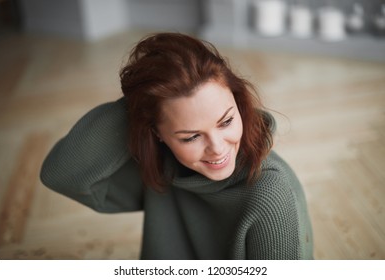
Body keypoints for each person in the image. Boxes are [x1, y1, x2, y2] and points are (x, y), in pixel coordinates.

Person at [40, 33, 313, 260]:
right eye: (191, 136)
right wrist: (140, 103)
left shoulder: (269, 195)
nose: (218, 148)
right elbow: (61, 175)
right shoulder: (163, 162)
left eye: (226, 121)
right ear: (157, 134)